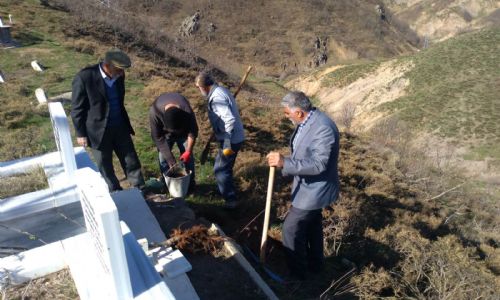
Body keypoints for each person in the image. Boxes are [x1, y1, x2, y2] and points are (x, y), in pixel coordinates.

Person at [266, 91, 340, 280]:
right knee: (313, 226)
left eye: (286, 113)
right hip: (307, 185)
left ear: (299, 112)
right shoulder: (306, 121)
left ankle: (298, 275)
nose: (285, 116)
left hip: (315, 190)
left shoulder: (323, 128)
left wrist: (285, 163)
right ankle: (316, 266)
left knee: (290, 229)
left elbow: (318, 164)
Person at [71, 49, 145, 192]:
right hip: (97, 131)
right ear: (108, 65)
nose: (122, 73)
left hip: (120, 126)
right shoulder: (85, 77)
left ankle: (140, 189)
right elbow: (76, 109)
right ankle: (115, 191)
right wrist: (80, 134)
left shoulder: (119, 77)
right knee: (105, 165)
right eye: (119, 70)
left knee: (131, 160)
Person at [195, 71, 245, 209]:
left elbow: (229, 119)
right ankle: (228, 190)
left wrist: (227, 141)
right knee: (225, 167)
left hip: (230, 140)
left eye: (198, 88)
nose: (199, 91)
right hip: (233, 137)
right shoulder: (220, 90)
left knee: (220, 169)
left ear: (204, 86)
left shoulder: (217, 97)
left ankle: (230, 201)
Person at [149, 92, 198, 185]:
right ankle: (168, 183)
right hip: (165, 135)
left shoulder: (186, 110)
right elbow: (157, 137)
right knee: (163, 158)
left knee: (188, 157)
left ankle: (190, 183)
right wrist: (169, 158)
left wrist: (188, 151)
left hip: (183, 132)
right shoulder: (155, 112)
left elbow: (193, 131)